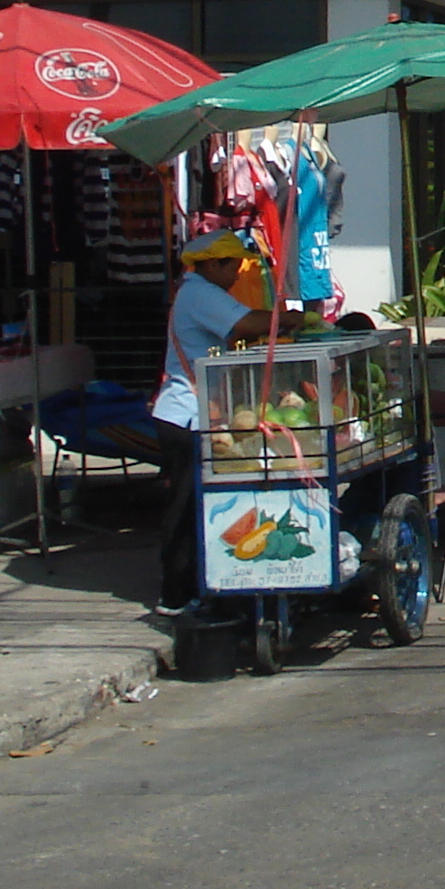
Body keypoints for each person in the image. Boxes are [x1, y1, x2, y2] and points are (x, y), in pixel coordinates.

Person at [150, 231, 276, 611]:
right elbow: (248, 324)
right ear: (212, 265)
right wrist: (291, 318)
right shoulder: (200, 293)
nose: (238, 273)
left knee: (195, 505)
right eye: (233, 265)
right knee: (185, 507)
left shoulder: (198, 291)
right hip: (183, 415)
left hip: (195, 414)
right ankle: (176, 595)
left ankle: (198, 585)